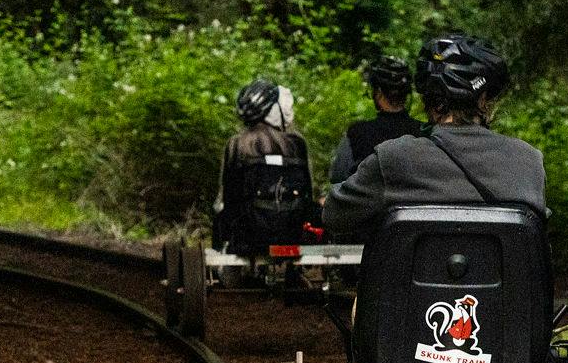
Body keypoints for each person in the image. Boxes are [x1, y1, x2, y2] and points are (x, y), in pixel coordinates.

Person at [323, 33, 546, 241]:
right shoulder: (529, 162)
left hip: (404, 284)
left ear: (427, 100)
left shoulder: (392, 159)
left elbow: (333, 216)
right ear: (483, 99)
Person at [215, 77, 318, 251]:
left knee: (221, 214)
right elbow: (308, 194)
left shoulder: (237, 144)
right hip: (291, 235)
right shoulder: (297, 143)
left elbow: (229, 197)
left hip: (248, 239)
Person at [329, 55, 422, 184]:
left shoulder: (357, 133)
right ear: (407, 94)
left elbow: (338, 177)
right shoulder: (424, 132)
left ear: (377, 92)